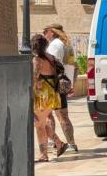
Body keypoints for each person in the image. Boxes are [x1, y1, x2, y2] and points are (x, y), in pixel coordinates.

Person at [31, 34, 69, 162]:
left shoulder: (37, 60)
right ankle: (59, 143)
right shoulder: (51, 58)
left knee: (39, 125)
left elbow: (34, 79)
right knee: (41, 123)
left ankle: (44, 154)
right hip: (53, 94)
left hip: (42, 96)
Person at [44, 23, 78, 152]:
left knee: (53, 116)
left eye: (45, 31)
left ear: (52, 32)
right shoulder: (67, 45)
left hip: (53, 85)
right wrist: (72, 84)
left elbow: (50, 66)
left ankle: (56, 142)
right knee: (62, 116)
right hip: (63, 84)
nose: (44, 34)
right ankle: (70, 143)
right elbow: (74, 67)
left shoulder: (55, 45)